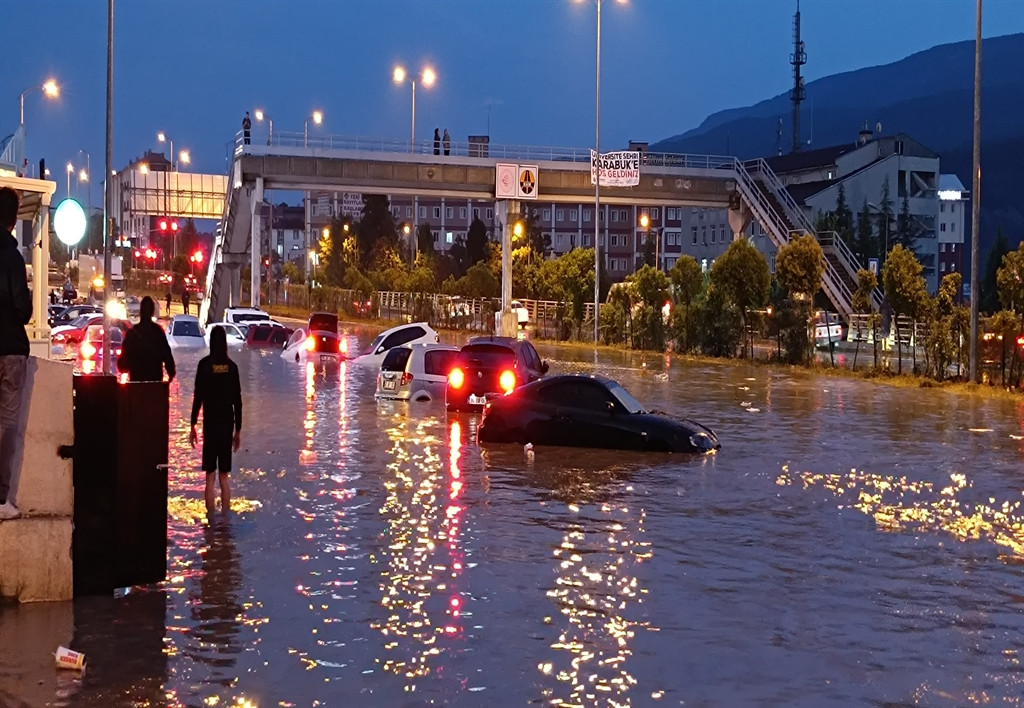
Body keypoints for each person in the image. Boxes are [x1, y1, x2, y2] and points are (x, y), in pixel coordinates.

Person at [0, 188, 31, 521]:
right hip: (10, 350)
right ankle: (1, 498)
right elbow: (23, 310)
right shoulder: (13, 257)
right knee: (8, 424)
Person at [190, 326, 242, 516]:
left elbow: (198, 397)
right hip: (227, 426)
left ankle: (211, 524)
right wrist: (238, 430)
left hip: (210, 427)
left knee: (210, 477)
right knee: (224, 477)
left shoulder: (204, 366)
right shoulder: (233, 368)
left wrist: (192, 424)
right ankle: (226, 523)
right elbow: (238, 401)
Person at [118, 296, 176, 382]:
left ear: (140, 312)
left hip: (136, 384)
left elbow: (122, 365)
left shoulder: (132, 333)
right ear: (152, 312)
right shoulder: (158, 332)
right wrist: (171, 374)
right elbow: (167, 356)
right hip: (154, 383)